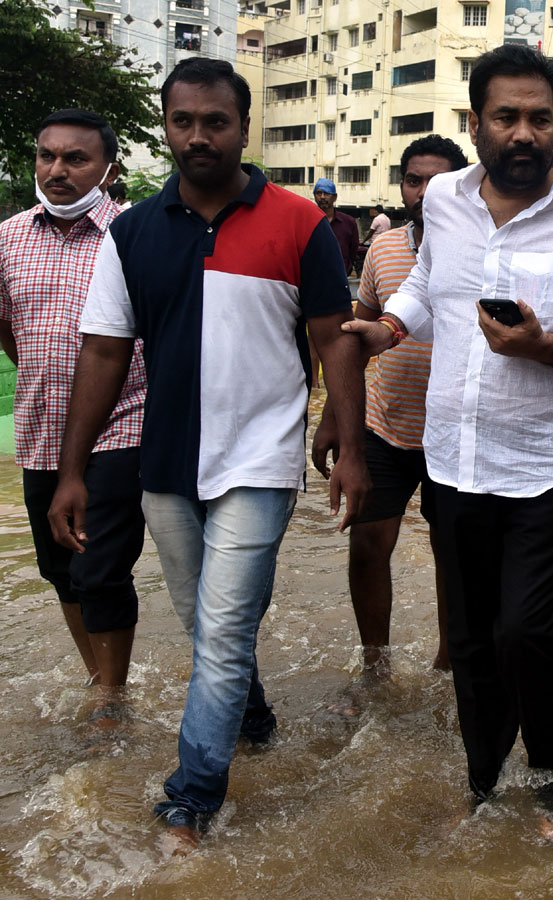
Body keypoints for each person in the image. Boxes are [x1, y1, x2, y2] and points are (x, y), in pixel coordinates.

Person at [48, 58, 369, 850]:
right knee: (205, 626)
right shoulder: (131, 232)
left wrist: (350, 444)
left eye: (215, 121)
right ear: (165, 127)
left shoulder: (299, 224)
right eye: (183, 120)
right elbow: (101, 351)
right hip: (166, 465)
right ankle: (253, 717)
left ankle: (189, 799)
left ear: (243, 128)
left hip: (259, 461)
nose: (199, 136)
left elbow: (333, 339)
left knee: (220, 634)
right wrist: (72, 469)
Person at [345, 44, 553, 837]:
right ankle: (483, 779)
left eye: (540, 119)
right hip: (456, 460)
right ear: (477, 123)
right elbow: (426, 285)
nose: (525, 133)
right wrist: (388, 327)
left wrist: (548, 348)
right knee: (471, 637)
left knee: (526, 629)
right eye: (507, 117)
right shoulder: (444, 200)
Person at [0, 109, 146, 727]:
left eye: (75, 159)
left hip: (125, 424)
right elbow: (7, 328)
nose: (57, 170)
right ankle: (100, 676)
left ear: (109, 170)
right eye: (46, 156)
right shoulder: (7, 238)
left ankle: (111, 698)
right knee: (59, 568)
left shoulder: (136, 233)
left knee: (100, 563)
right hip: (40, 430)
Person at [314, 134, 468, 705]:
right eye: (413, 179)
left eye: (436, 180)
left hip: (456, 435)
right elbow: (355, 340)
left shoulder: (481, 249)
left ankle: (450, 661)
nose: (423, 191)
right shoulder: (382, 251)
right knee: (367, 544)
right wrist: (333, 417)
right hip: (385, 425)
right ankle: (375, 665)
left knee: (454, 556)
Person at [314, 177, 361, 276]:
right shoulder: (308, 221)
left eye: (326, 193)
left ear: (334, 197)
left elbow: (353, 251)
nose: (322, 197)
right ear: (314, 196)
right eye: (319, 193)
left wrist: (346, 270)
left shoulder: (348, 222)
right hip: (314, 277)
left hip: (340, 277)